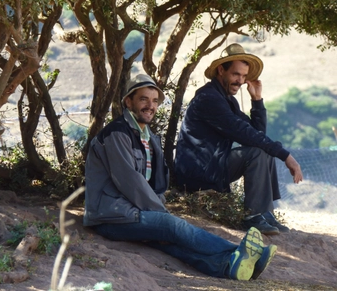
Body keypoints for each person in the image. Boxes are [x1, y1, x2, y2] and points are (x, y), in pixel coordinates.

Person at [83, 73, 277, 280]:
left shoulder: (151, 139)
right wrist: (161, 213)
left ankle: (228, 267)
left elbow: (156, 184)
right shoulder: (117, 134)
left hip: (135, 213)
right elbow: (130, 182)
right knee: (172, 226)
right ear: (128, 101)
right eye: (143, 99)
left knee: (169, 241)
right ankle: (240, 252)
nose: (150, 105)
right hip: (111, 217)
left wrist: (159, 210)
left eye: (155, 101)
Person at [174, 43, 304, 235]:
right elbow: (245, 133)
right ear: (221, 70)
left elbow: (256, 134)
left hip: (214, 167)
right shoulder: (209, 98)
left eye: (244, 76)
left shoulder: (227, 99)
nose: (241, 81)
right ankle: (254, 216)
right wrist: (286, 156)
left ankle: (264, 213)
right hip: (199, 172)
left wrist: (257, 100)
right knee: (258, 151)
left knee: (262, 148)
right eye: (236, 74)